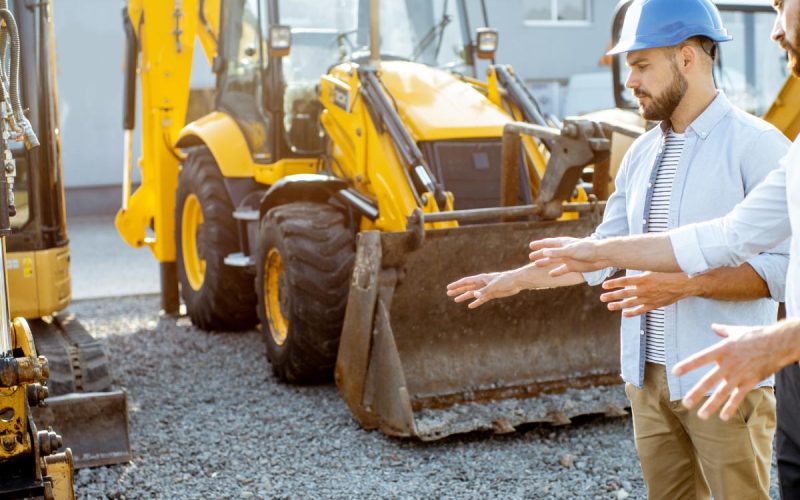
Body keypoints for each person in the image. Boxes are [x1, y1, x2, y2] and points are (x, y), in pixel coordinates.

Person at [447, 0, 791, 497]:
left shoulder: (757, 146)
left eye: (641, 64)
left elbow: (782, 271)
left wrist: (681, 287)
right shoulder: (642, 154)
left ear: (687, 57)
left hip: (724, 380)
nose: (630, 80)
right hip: (646, 382)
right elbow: (601, 253)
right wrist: (515, 280)